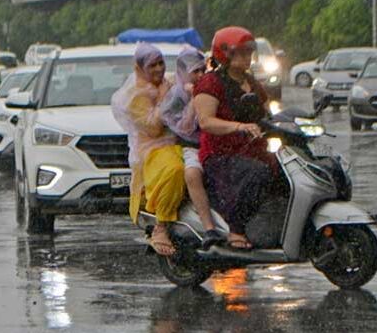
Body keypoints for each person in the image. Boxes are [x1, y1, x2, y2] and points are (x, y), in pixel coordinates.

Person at [193, 26, 277, 250]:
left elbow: (267, 113)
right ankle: (236, 228)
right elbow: (206, 121)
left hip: (253, 150)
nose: (247, 57)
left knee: (285, 172)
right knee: (258, 173)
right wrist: (239, 127)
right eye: (241, 52)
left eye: (249, 52)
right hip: (221, 154)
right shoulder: (210, 83)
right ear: (225, 54)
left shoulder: (252, 83)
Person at [112, 43, 186, 256]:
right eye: (152, 65)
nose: (158, 69)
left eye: (161, 63)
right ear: (139, 68)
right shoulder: (135, 96)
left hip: (179, 142)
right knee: (175, 170)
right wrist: (165, 98)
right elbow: (153, 129)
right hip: (153, 150)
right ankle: (160, 226)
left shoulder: (170, 82)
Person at [159, 47, 225, 249]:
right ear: (182, 74)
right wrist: (193, 100)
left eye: (201, 71)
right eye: (194, 72)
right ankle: (209, 227)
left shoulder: (214, 86)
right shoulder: (177, 96)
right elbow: (185, 127)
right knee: (192, 175)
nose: (199, 76)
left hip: (219, 142)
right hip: (193, 146)